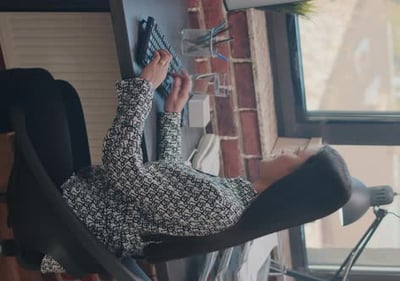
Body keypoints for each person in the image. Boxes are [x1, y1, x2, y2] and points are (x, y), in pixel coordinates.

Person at [39, 49, 318, 276]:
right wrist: (172, 115)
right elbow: (169, 179)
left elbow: (120, 165)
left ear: (290, 182)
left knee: (40, 91)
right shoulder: (235, 198)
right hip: (87, 202)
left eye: (295, 156)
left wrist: (144, 89)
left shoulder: (223, 207)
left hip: (73, 215)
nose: (286, 151)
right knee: (61, 94)